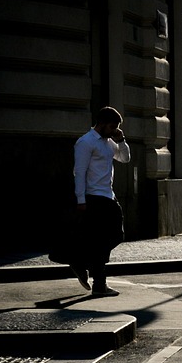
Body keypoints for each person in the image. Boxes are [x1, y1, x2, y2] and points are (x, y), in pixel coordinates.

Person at [69, 106, 131, 296]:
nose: (114, 131)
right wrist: (81, 200)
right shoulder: (85, 142)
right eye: (112, 127)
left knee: (115, 236)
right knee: (100, 240)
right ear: (102, 124)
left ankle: (81, 263)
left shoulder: (109, 142)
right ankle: (99, 284)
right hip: (93, 197)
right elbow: (79, 172)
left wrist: (121, 140)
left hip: (108, 196)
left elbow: (125, 158)